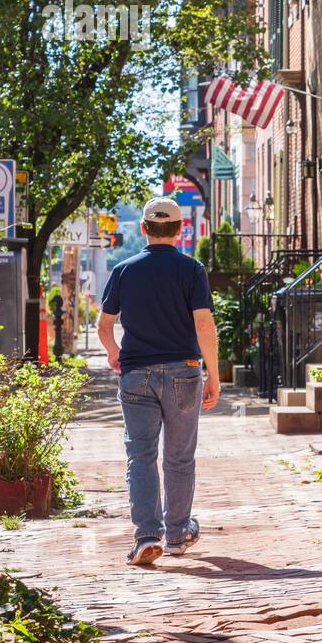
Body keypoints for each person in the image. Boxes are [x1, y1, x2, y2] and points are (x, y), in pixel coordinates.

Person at [96, 197, 220, 567]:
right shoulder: (192, 270)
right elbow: (203, 324)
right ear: (180, 230)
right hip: (183, 371)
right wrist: (213, 373)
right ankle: (179, 533)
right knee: (179, 458)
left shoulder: (124, 271)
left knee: (141, 456)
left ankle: (147, 536)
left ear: (144, 229)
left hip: (135, 375)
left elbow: (105, 326)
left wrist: (113, 353)